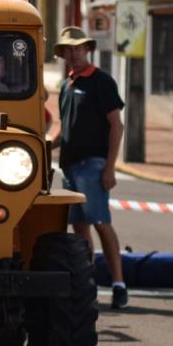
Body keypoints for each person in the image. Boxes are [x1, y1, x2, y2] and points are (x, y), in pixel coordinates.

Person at [51, 26, 128, 309]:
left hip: (93, 165)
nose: (73, 53)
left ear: (87, 49)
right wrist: (46, 145)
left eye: (78, 48)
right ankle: (87, 283)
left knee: (101, 222)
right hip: (69, 167)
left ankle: (119, 283)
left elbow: (116, 125)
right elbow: (64, 129)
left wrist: (110, 168)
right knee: (79, 226)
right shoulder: (65, 85)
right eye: (68, 49)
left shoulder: (102, 82)